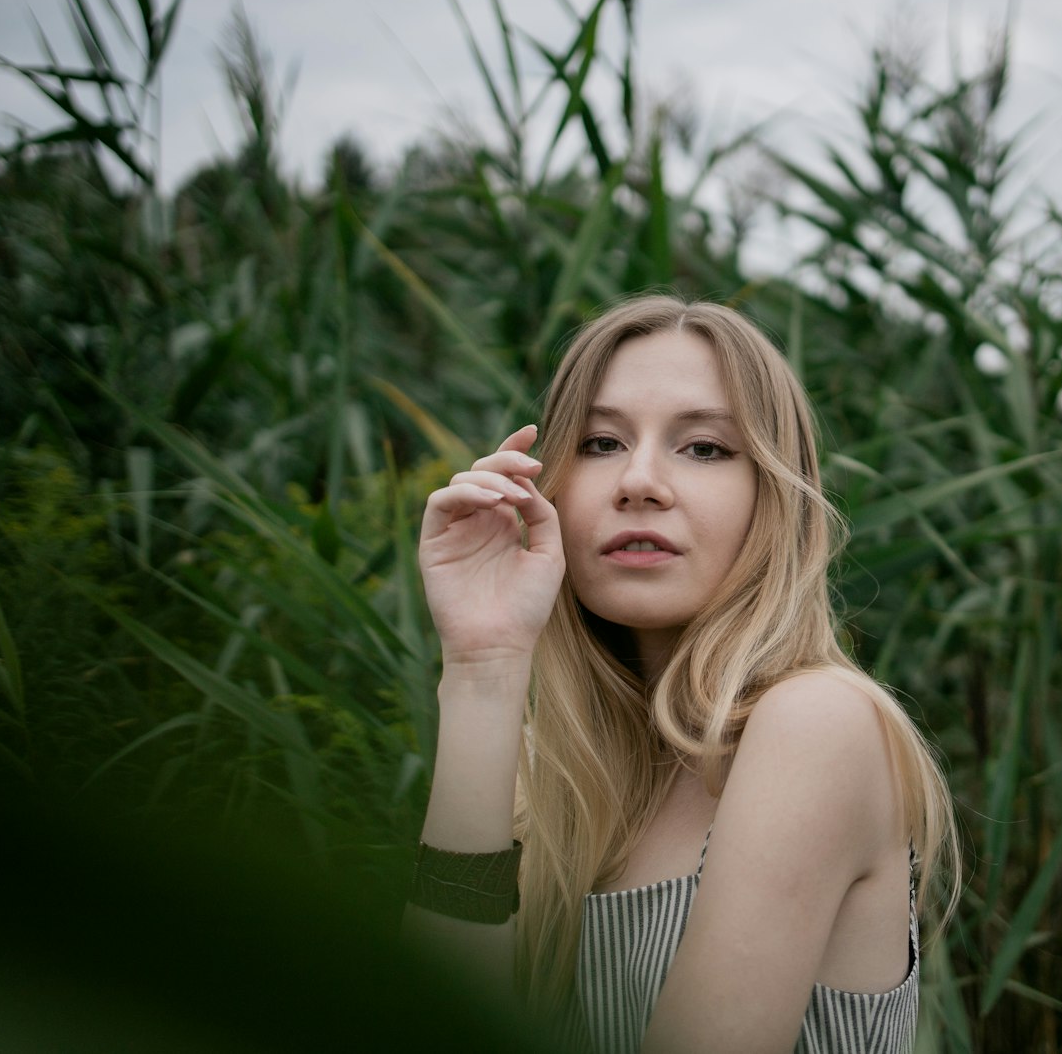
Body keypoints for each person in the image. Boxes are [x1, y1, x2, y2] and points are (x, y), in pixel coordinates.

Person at [407, 296, 960, 1053]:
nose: (639, 481)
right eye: (601, 442)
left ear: (774, 497)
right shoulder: (550, 778)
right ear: (551, 487)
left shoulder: (817, 724)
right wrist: (482, 669)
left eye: (703, 448)